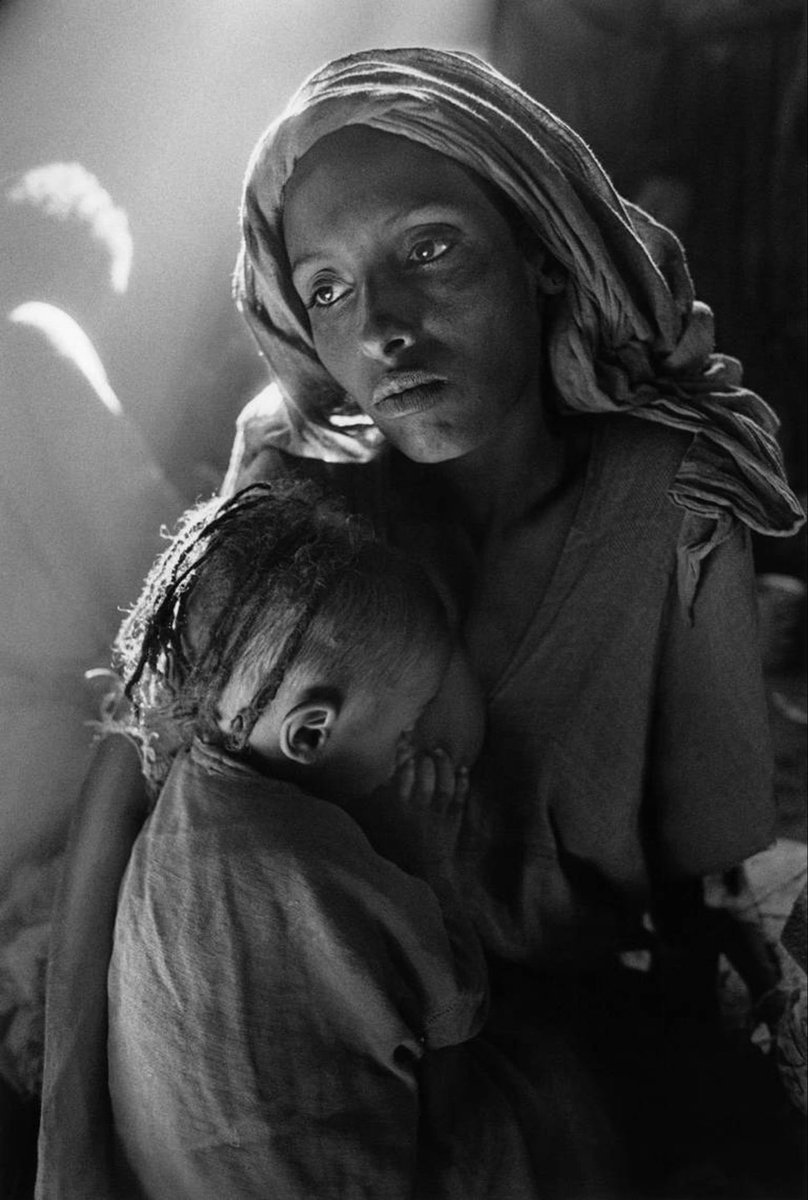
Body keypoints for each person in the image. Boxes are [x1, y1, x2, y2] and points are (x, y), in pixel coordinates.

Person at [223, 47, 806, 1195]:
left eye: (429, 248)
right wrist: (73, 1148)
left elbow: (701, 857)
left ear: (541, 252)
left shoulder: (670, 497)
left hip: (578, 1009)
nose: (382, 325)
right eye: (328, 288)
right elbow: (162, 766)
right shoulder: (299, 490)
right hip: (338, 1010)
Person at [106, 480, 578, 1200]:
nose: (410, 748)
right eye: (405, 727)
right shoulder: (319, 865)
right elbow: (452, 1030)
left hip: (170, 1181)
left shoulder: (178, 805)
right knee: (555, 1091)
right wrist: (427, 868)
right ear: (310, 733)